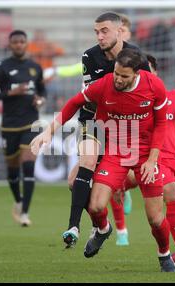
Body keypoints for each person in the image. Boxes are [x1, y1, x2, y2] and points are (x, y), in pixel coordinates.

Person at [31, 48, 175, 272]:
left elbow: (161, 124)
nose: (118, 79)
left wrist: (152, 159)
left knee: (156, 219)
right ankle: (102, 228)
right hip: (115, 152)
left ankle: (164, 254)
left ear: (137, 74)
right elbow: (73, 103)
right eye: (117, 73)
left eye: (124, 76)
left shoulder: (154, 86)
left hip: (145, 153)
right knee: (97, 206)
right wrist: (49, 131)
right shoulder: (105, 84)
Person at [62, 12, 151, 248]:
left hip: (123, 127)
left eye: (104, 31)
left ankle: (105, 222)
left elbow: (147, 94)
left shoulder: (137, 58)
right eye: (96, 32)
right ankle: (78, 226)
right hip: (93, 119)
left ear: (119, 30)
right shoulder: (90, 57)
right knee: (81, 171)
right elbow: (90, 98)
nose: (99, 36)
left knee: (76, 181)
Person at [123, 54, 175, 267]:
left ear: (155, 72)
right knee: (172, 193)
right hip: (155, 159)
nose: (145, 74)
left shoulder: (172, 96)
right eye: (141, 70)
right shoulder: (134, 101)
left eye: (148, 69)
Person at [0, 30, 46, 227]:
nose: (19, 45)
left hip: (31, 122)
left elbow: (42, 91)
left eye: (22, 41)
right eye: (15, 42)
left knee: (28, 163)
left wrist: (40, 100)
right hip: (10, 126)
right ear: (10, 45)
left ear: (26, 44)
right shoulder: (1, 68)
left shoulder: (35, 68)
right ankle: (18, 201)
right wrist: (12, 92)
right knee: (12, 171)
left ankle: (25, 213)